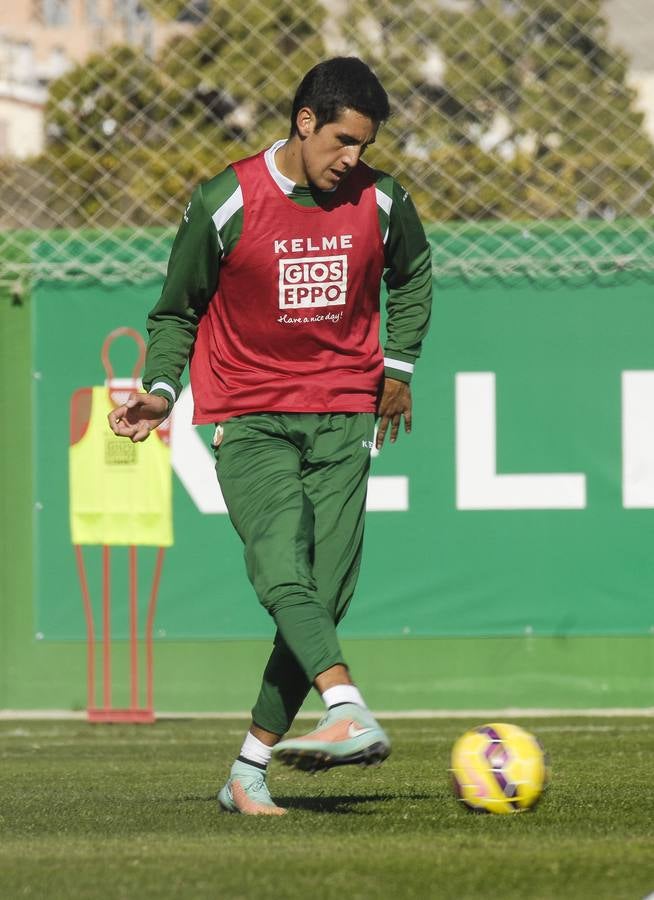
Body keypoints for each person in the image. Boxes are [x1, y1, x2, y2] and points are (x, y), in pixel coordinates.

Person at [108, 57, 432, 816]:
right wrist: (161, 391)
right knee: (282, 557)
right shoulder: (227, 200)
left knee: (324, 595)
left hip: (346, 413)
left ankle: (248, 771)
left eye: (365, 146)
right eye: (343, 142)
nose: (353, 160)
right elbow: (176, 309)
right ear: (306, 122)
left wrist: (399, 366)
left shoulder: (383, 200)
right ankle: (345, 704)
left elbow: (412, 275)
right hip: (248, 413)